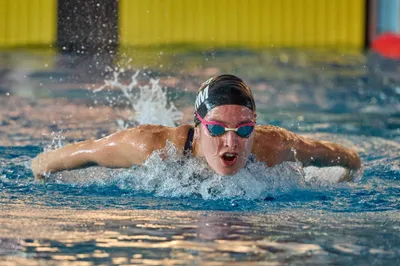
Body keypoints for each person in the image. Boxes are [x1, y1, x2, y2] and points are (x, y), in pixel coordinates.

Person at [32, 74, 361, 180]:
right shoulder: (152, 148)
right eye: (217, 129)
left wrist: (350, 172)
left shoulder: (271, 146)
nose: (231, 142)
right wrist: (41, 171)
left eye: (244, 130)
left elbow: (341, 156)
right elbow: (70, 156)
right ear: (199, 127)